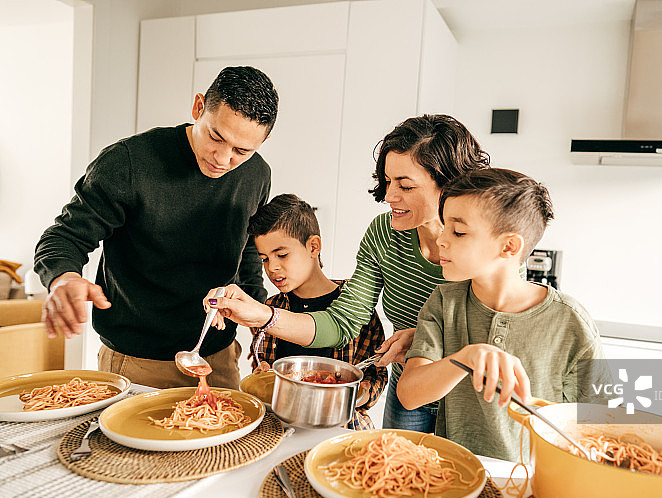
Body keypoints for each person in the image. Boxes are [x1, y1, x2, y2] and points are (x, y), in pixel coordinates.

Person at [205, 114, 489, 432]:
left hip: (470, 396)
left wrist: (424, 340)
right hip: (408, 388)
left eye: (405, 186)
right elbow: (342, 322)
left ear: (448, 183)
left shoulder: (487, 241)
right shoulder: (383, 234)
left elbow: (497, 338)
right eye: (387, 181)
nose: (388, 196)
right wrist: (261, 315)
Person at [33, 66, 279, 389]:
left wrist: (258, 314)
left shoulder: (257, 175)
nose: (222, 158)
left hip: (217, 358)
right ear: (198, 107)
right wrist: (63, 278)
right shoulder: (129, 162)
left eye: (241, 151)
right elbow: (65, 237)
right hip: (136, 363)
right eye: (216, 136)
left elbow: (246, 248)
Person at [395, 168, 609, 462]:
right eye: (444, 227)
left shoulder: (570, 321)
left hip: (537, 481)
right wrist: (465, 358)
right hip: (455, 473)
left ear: (509, 246)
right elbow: (409, 394)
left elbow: (597, 427)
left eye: (458, 231)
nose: (441, 239)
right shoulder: (444, 303)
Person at [234, 193, 387, 429]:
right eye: (264, 259)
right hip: (279, 426)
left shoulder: (355, 306)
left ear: (313, 246)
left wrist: (356, 394)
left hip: (340, 426)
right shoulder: (271, 308)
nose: (272, 267)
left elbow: (376, 375)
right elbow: (263, 366)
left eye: (282, 254)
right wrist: (262, 373)